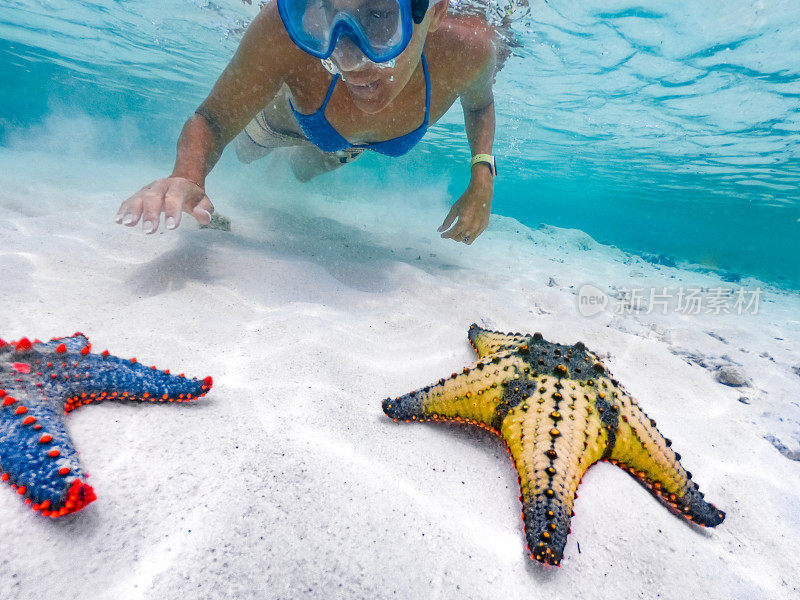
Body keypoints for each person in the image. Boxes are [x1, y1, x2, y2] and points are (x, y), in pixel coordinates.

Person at [115, 0, 499, 244]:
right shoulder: (281, 31)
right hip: (282, 123)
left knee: (302, 173)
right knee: (246, 155)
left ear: (437, 11)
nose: (347, 60)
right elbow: (213, 119)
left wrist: (482, 175)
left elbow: (480, 104)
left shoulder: (467, 49)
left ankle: (298, 164)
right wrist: (188, 175)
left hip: (346, 143)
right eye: (328, 14)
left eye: (379, 16)